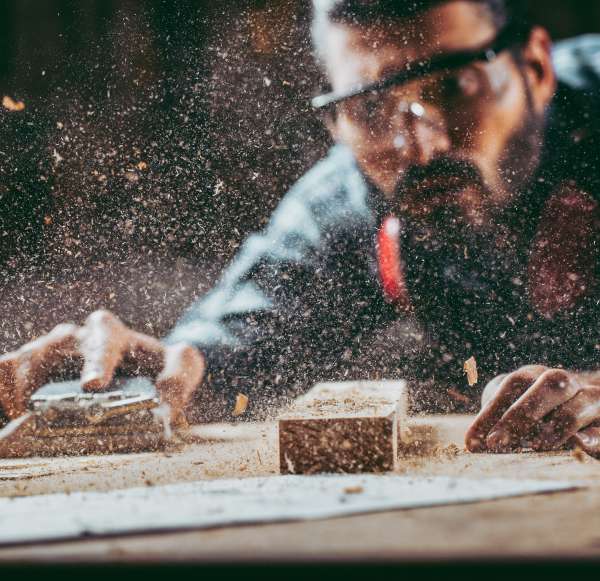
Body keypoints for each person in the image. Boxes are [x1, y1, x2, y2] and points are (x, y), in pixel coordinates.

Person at [1, 0, 600, 456]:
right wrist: (142, 377)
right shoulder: (346, 202)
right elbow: (228, 351)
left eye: (453, 85)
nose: (421, 143)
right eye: (369, 107)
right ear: (336, 118)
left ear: (536, 65)